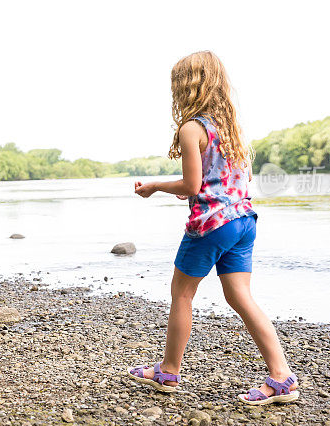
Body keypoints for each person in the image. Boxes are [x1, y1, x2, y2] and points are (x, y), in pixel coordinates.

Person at [127, 51, 299, 405]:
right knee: (240, 297)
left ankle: (168, 371)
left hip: (212, 227)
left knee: (182, 295)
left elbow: (193, 186)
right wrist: (201, 190)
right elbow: (234, 179)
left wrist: (157, 186)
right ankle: (282, 377)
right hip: (243, 222)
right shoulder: (232, 129)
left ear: (185, 87)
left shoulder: (192, 128)